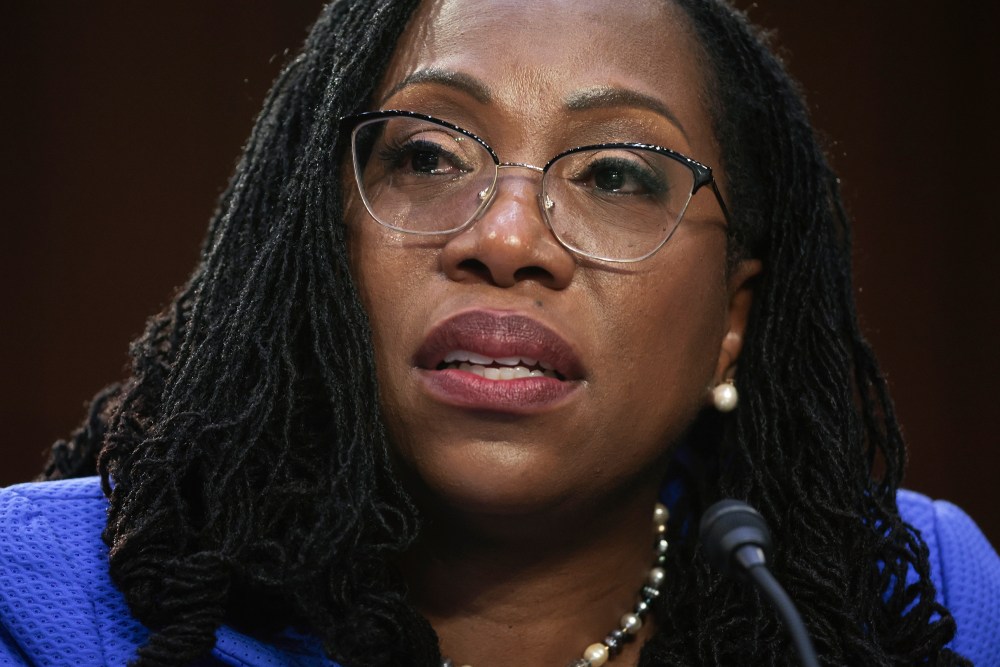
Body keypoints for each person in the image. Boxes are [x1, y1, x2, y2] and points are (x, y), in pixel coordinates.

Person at [1, 0, 997, 665]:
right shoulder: (36, 605)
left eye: (614, 174)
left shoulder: (918, 598)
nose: (507, 237)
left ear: (731, 322)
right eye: (429, 154)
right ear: (317, 245)